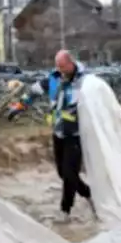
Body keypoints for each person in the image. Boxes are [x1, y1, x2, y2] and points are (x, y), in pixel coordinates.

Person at [27, 49, 97, 223]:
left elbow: (98, 103)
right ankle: (89, 194)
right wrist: (19, 106)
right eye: (57, 66)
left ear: (71, 63)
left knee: (69, 173)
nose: (60, 69)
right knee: (62, 173)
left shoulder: (86, 82)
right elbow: (34, 91)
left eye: (63, 66)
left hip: (76, 135)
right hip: (58, 133)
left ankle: (65, 211)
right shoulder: (53, 78)